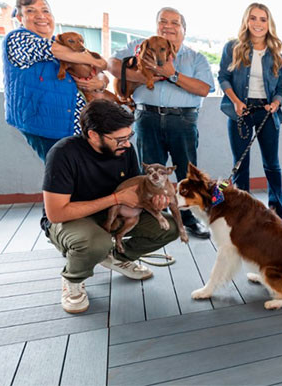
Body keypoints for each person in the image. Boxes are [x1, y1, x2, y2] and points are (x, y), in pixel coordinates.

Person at [42, 100, 180, 314]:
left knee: (169, 228)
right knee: (96, 242)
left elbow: (137, 189)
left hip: (117, 214)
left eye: (129, 137)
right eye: (119, 139)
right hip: (71, 219)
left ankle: (116, 257)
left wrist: (156, 200)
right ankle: (73, 278)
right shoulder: (63, 153)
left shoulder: (125, 150)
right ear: (93, 135)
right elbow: (56, 213)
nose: (126, 144)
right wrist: (115, 199)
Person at [108, 7, 214, 238]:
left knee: (187, 175)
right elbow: (112, 65)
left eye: (174, 23)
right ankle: (151, 221)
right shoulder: (138, 46)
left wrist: (171, 74)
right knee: (149, 174)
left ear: (183, 29)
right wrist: (144, 76)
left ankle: (190, 220)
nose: (168, 26)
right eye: (162, 21)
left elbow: (204, 89)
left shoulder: (195, 57)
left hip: (183, 119)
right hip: (147, 117)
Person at [3, 0, 109, 161]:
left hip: (71, 123)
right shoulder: (18, 38)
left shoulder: (60, 43)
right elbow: (56, 51)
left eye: (45, 11)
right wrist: (99, 62)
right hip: (46, 123)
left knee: (77, 174)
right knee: (64, 175)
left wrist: (100, 80)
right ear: (19, 17)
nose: (41, 16)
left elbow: (95, 68)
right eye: (31, 11)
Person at [219, 3, 282, 221]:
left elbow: (281, 89)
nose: (258, 24)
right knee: (241, 161)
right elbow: (223, 77)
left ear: (269, 24)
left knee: (272, 164)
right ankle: (243, 210)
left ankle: (277, 211)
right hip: (240, 110)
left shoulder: (276, 54)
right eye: (253, 18)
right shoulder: (232, 47)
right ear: (246, 21)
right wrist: (237, 102)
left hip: (267, 111)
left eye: (263, 19)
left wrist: (275, 104)